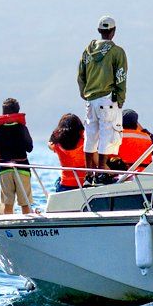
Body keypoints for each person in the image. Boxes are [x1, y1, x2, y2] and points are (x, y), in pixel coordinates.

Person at [78, 15, 128, 184]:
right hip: (107, 99)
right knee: (108, 132)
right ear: (113, 32)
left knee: (90, 134)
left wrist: (84, 93)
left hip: (90, 99)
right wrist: (121, 98)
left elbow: (81, 75)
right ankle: (101, 172)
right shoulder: (117, 52)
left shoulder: (88, 51)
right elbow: (121, 76)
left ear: (99, 31)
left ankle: (88, 174)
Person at [48, 114, 87, 192]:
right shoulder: (85, 143)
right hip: (83, 184)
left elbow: (49, 144)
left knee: (57, 181)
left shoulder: (57, 145)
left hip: (65, 186)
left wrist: (54, 135)